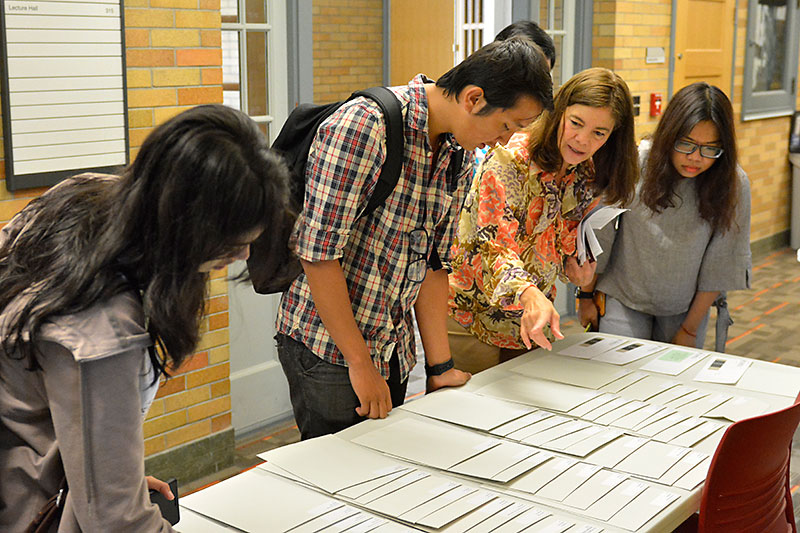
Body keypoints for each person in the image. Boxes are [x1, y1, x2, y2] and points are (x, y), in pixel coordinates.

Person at [0, 105, 291, 531]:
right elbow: (117, 522)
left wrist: (111, 477)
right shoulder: (102, 327)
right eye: (233, 243)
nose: (244, 255)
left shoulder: (86, 195)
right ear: (189, 228)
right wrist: (113, 491)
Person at [275, 37, 554, 440]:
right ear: (474, 99)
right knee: (336, 480)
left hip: (392, 348)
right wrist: (359, 362)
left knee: (385, 470)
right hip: (328, 348)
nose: (504, 140)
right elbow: (318, 255)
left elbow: (433, 261)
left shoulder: (457, 149)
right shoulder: (363, 127)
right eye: (507, 125)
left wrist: (439, 367)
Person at [448, 67, 638, 374]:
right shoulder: (510, 160)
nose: (582, 140)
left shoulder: (584, 174)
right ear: (558, 113)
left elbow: (558, 242)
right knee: (468, 413)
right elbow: (495, 248)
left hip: (531, 318)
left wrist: (575, 270)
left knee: (525, 416)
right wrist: (529, 293)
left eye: (598, 133)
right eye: (576, 123)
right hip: (473, 312)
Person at [579, 82, 751, 347]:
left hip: (685, 307)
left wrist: (690, 330)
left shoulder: (734, 183)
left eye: (710, 149)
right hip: (624, 295)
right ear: (669, 135)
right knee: (616, 374)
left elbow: (722, 262)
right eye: (686, 144)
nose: (695, 158)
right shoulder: (637, 162)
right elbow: (600, 234)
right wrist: (586, 297)